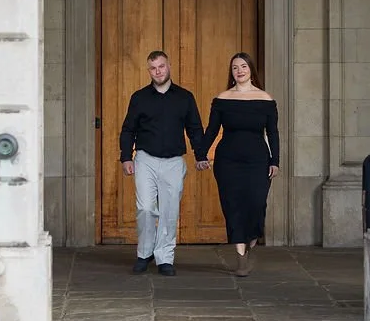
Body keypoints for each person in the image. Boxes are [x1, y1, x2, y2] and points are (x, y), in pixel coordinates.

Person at [119, 50, 208, 276]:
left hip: (174, 162)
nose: (158, 71)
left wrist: (200, 155)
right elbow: (128, 129)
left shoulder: (184, 97)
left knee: (169, 211)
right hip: (145, 159)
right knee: (145, 208)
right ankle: (144, 253)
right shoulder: (139, 98)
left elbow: (195, 129)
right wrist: (126, 157)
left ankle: (165, 257)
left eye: (161, 66)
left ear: (169, 67)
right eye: (153, 68)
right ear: (148, 71)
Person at [198, 52, 280, 277]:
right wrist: (200, 154)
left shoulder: (265, 99)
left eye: (243, 66)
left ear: (251, 69)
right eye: (235, 67)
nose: (239, 71)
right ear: (231, 72)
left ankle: (250, 242)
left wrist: (275, 161)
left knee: (256, 204)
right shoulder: (222, 99)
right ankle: (241, 256)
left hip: (258, 161)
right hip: (228, 162)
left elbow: (273, 133)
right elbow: (212, 130)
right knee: (233, 206)